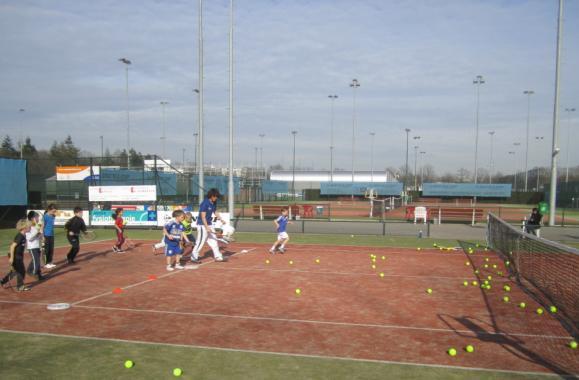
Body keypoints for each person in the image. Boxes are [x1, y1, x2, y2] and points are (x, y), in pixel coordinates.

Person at [191, 188, 228, 263]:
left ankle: (218, 256)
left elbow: (215, 211)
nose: (216, 198)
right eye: (215, 196)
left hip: (209, 224)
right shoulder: (204, 203)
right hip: (202, 225)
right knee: (200, 241)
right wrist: (206, 227)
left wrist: (221, 219)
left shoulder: (214, 202)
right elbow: (203, 216)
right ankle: (193, 257)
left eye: (217, 197)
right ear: (211, 196)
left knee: (214, 241)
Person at [1, 219, 32, 291]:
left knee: (15, 272)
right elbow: (12, 246)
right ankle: (20, 286)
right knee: (21, 271)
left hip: (19, 257)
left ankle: (2, 281)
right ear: (25, 228)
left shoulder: (23, 236)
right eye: (29, 227)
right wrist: (11, 258)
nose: (30, 228)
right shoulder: (20, 236)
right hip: (16, 257)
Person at [26, 211, 43, 281]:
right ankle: (34, 273)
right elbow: (29, 238)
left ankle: (35, 273)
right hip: (32, 247)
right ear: (33, 218)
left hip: (37, 245)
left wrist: (40, 234)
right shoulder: (28, 225)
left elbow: (38, 236)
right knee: (36, 261)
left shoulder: (36, 225)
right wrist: (38, 232)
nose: (38, 218)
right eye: (37, 216)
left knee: (35, 260)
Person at [42, 204, 57, 269]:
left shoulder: (53, 216)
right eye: (53, 211)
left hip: (51, 235)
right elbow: (42, 226)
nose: (54, 213)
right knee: (47, 249)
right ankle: (46, 263)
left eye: (55, 211)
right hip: (46, 235)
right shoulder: (45, 217)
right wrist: (42, 236)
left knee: (51, 249)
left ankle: (50, 262)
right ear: (49, 210)